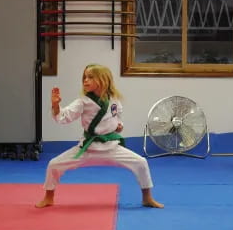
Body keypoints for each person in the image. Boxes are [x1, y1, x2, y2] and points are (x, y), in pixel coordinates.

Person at [36, 64, 163, 208]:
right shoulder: (82, 101)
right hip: (88, 147)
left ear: (103, 80)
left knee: (141, 163)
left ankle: (147, 197)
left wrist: (119, 125)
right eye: (84, 77)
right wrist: (56, 106)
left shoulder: (114, 100)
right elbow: (64, 117)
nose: (85, 80)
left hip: (111, 148)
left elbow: (117, 117)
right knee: (54, 165)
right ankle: (49, 197)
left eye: (90, 77)